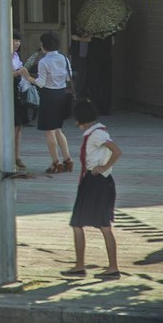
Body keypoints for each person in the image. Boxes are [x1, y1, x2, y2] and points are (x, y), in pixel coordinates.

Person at [62, 99, 123, 280]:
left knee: (103, 225)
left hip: (98, 182)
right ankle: (80, 265)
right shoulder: (96, 132)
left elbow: (117, 151)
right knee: (78, 223)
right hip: (91, 181)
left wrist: (103, 168)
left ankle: (112, 267)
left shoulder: (96, 134)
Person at [20, 31, 74, 174]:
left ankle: (56, 163)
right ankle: (68, 160)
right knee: (58, 129)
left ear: (43, 45)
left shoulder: (44, 62)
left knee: (49, 130)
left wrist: (27, 76)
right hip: (62, 94)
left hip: (49, 96)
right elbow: (69, 78)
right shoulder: (64, 58)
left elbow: (41, 83)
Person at [11, 31, 30, 168]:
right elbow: (3, 74)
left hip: (18, 91)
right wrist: (18, 72)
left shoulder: (17, 55)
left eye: (18, 40)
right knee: (12, 126)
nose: (17, 43)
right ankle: (10, 156)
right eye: (14, 40)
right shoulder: (4, 56)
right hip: (9, 92)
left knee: (19, 126)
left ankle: (17, 156)